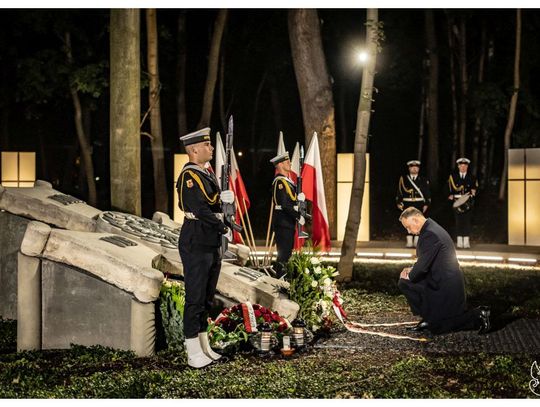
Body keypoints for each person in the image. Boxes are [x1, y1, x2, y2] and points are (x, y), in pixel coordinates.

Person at [176, 127, 235, 368]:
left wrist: (225, 204)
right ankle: (192, 351)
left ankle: (203, 346)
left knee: (207, 298)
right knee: (195, 297)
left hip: (208, 239)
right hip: (196, 238)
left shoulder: (206, 173)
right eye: (207, 145)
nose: (211, 148)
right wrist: (222, 227)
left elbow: (213, 203)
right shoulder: (190, 176)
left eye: (210, 144)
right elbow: (200, 209)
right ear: (193, 149)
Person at [397, 207, 490, 335]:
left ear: (416, 219)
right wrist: (412, 269)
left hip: (445, 286)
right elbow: (428, 259)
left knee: (405, 282)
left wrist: (410, 275)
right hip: (442, 280)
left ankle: (478, 315)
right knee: (406, 281)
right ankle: (430, 318)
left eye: (408, 226)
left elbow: (423, 267)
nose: (408, 231)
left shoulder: (430, 233)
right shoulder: (431, 228)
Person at [270, 151, 305, 279]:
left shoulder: (287, 181)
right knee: (283, 255)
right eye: (286, 162)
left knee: (286, 254)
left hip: (287, 222)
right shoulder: (280, 182)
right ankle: (281, 280)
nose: (289, 163)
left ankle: (284, 279)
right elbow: (284, 204)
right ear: (279, 165)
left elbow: (290, 201)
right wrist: (298, 216)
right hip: (283, 222)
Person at [395, 160, 431, 247]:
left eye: (416, 167)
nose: (414, 169)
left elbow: (427, 192)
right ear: (409, 168)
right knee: (407, 221)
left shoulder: (423, 179)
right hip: (407, 203)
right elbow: (400, 191)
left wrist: (426, 203)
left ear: (418, 169)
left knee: (418, 222)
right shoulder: (403, 179)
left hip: (419, 203)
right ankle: (409, 240)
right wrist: (398, 201)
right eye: (412, 167)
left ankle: (417, 241)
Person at [448, 157, 478, 249]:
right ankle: (459, 241)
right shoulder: (453, 177)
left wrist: (475, 191)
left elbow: (476, 188)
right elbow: (448, 189)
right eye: (461, 166)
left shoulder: (472, 177)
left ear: (467, 167)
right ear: (458, 167)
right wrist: (449, 195)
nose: (463, 168)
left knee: (467, 221)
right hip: (457, 202)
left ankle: (466, 241)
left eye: (465, 166)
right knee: (458, 222)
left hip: (468, 202)